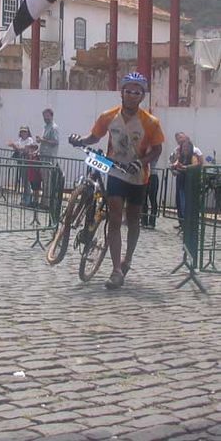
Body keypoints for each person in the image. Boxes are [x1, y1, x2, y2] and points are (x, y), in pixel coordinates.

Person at [69, 72, 165, 290]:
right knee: (114, 218)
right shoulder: (108, 116)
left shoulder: (151, 122)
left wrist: (141, 162)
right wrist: (79, 140)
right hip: (115, 171)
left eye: (137, 92)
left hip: (138, 176)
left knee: (132, 221)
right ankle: (115, 270)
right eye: (128, 91)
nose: (132, 95)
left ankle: (127, 259)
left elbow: (157, 149)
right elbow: (94, 137)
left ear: (142, 96)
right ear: (121, 92)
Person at [170, 138, 200, 228]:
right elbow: (174, 165)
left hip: (189, 184)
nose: (185, 149)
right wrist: (174, 167)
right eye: (183, 147)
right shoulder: (181, 157)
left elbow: (195, 165)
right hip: (181, 182)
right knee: (181, 204)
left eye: (187, 147)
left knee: (187, 204)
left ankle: (188, 225)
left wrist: (184, 167)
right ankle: (183, 224)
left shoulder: (193, 156)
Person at [36, 108, 59, 208]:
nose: (45, 118)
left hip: (49, 158)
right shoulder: (46, 127)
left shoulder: (54, 127)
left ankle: (47, 203)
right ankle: (44, 201)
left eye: (47, 116)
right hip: (44, 157)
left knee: (48, 181)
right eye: (44, 116)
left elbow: (55, 142)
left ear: (51, 115)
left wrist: (42, 140)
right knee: (45, 181)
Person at [141, 157, 159, 229]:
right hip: (144, 174)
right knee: (143, 199)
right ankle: (144, 220)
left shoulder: (154, 150)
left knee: (152, 198)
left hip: (152, 175)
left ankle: (152, 221)